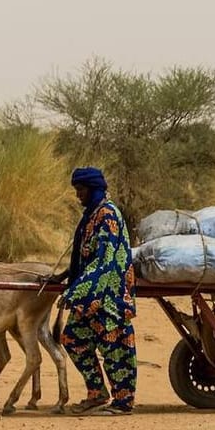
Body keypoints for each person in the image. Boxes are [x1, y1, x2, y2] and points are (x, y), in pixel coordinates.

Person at [56, 166, 137, 415]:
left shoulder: (108, 215)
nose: (78, 195)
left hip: (110, 295)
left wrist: (74, 292)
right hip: (91, 295)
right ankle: (97, 393)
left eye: (81, 190)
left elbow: (106, 261)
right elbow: (85, 257)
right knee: (72, 337)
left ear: (93, 189)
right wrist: (67, 277)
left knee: (115, 347)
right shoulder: (92, 215)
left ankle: (123, 402)